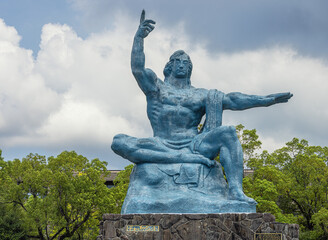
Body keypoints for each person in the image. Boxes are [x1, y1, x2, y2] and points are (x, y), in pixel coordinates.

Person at [111, 10, 293, 203]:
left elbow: (233, 100)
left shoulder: (201, 95)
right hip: (161, 143)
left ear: (190, 69)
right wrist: (139, 38)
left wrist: (266, 100)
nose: (182, 65)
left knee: (229, 133)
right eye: (177, 62)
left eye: (186, 63)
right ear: (169, 66)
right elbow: (137, 69)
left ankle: (236, 191)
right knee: (118, 141)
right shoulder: (156, 88)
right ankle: (180, 158)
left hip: (194, 145)